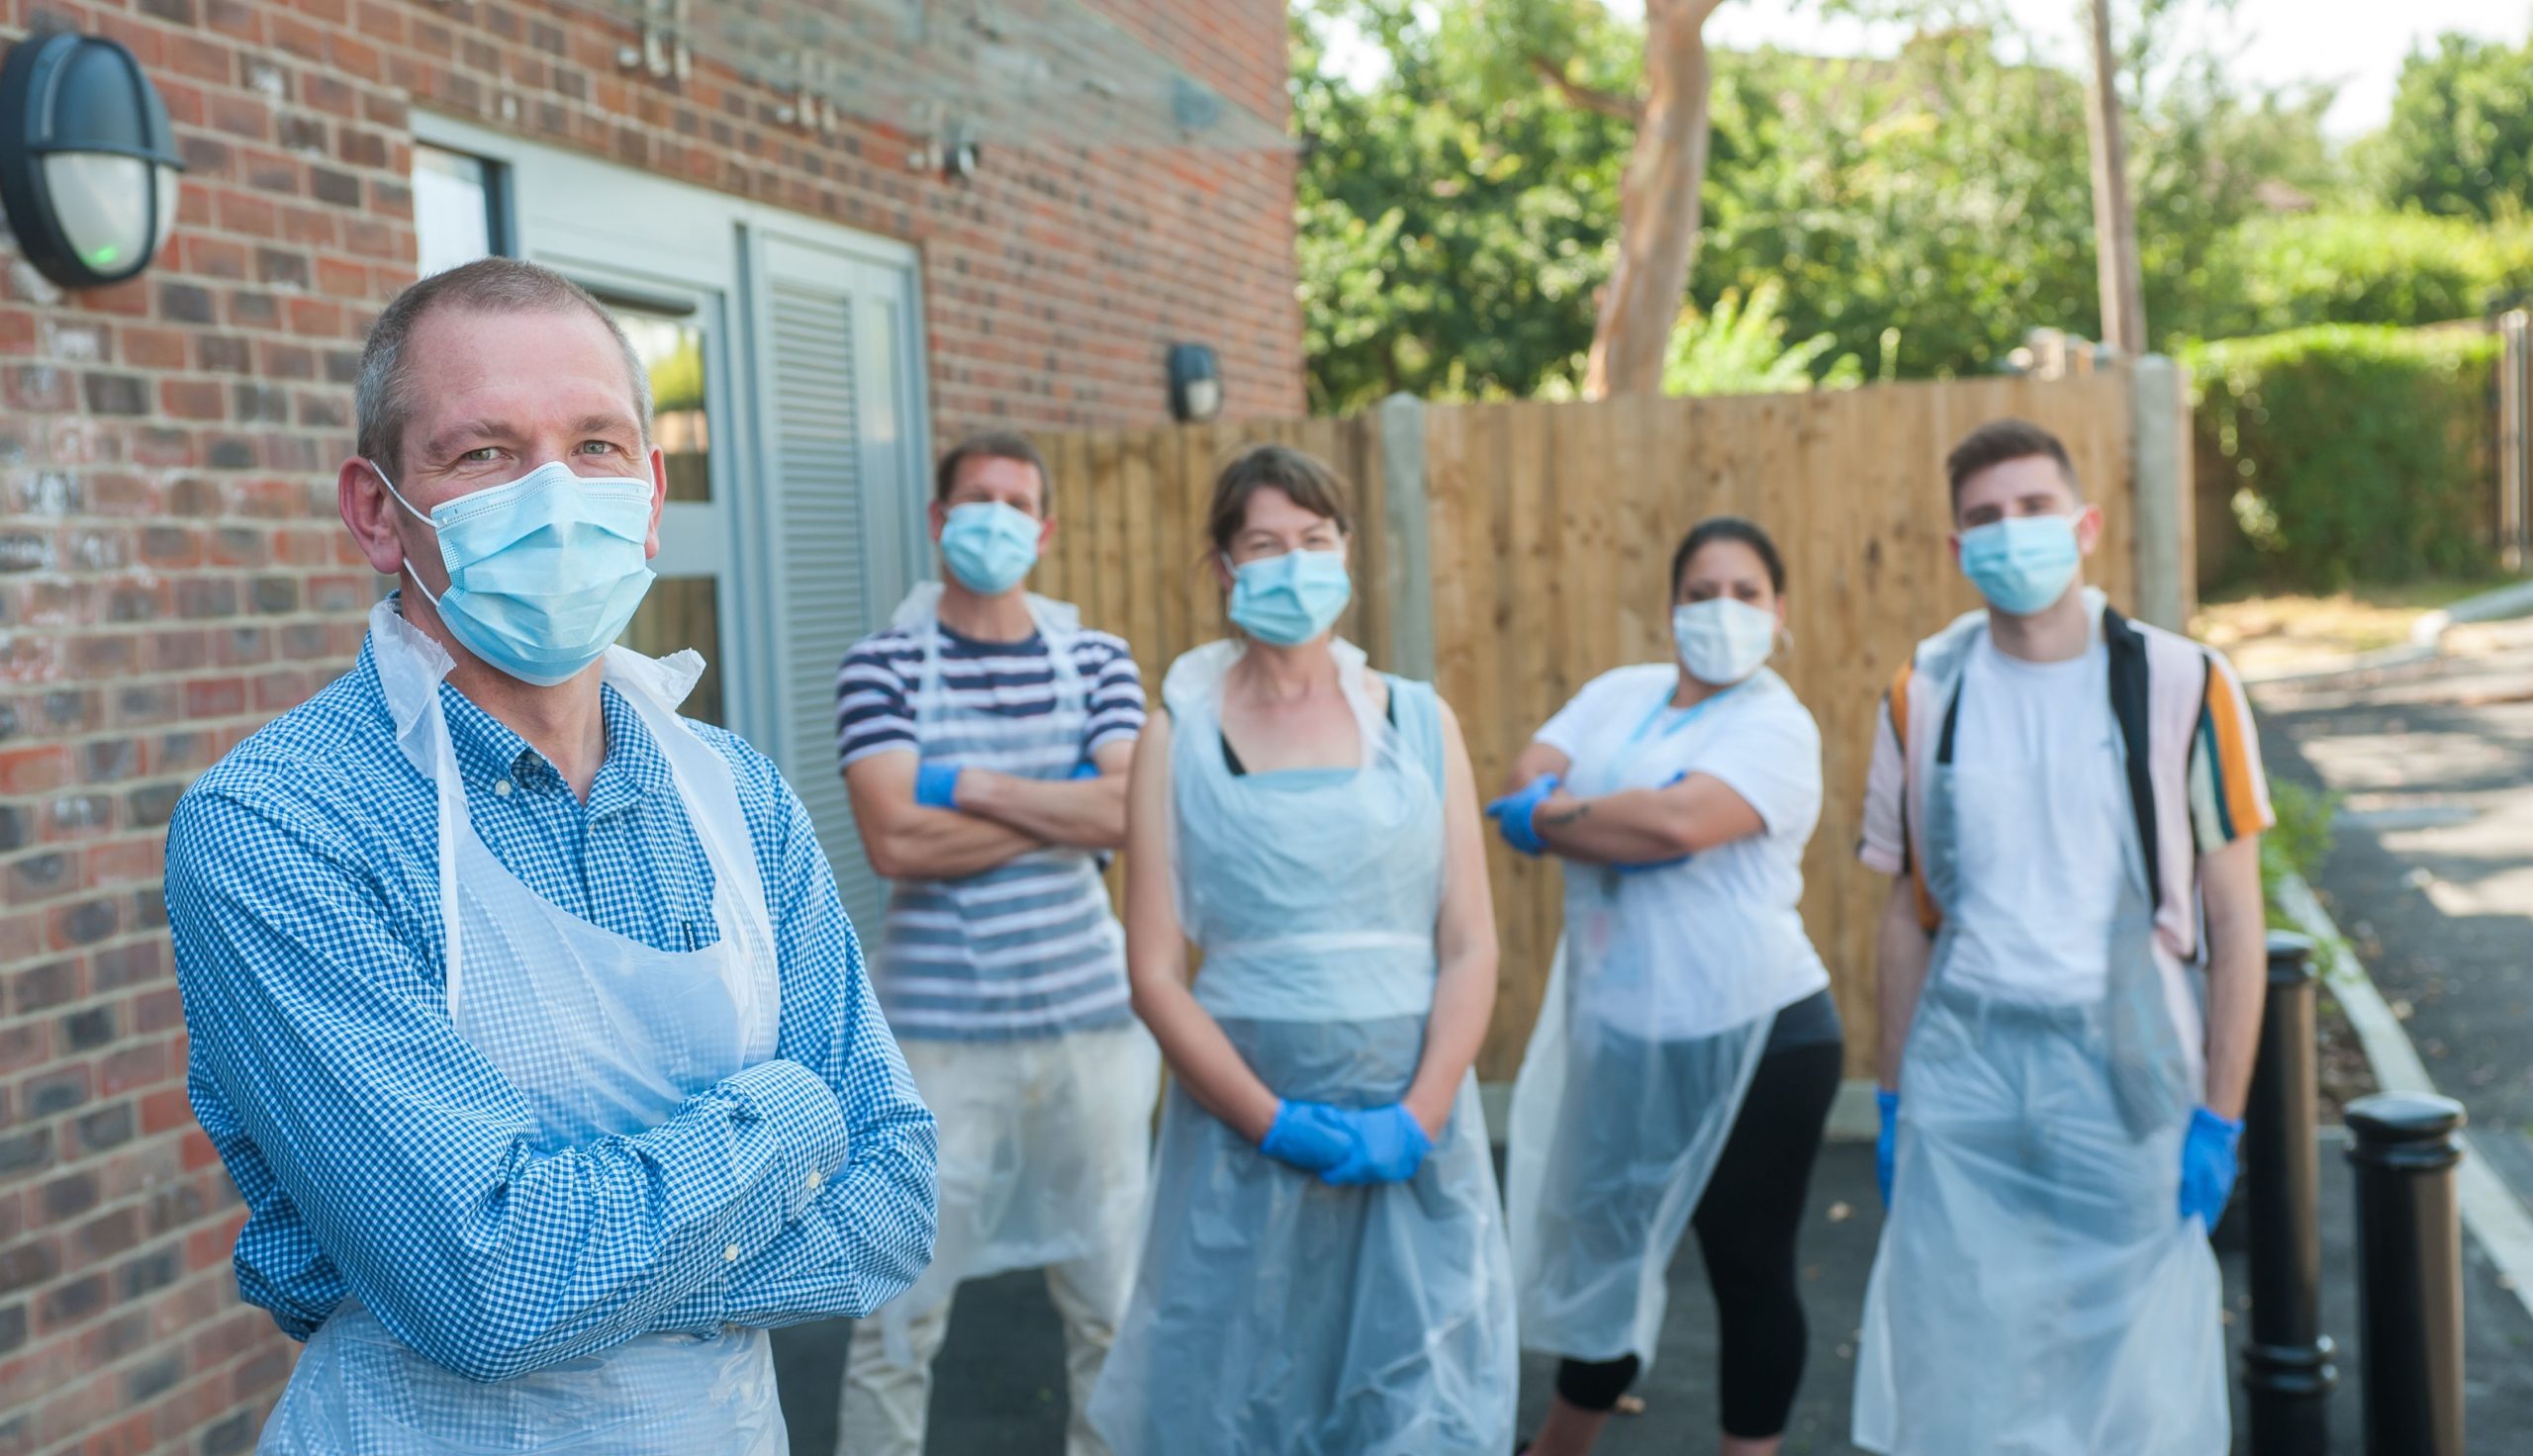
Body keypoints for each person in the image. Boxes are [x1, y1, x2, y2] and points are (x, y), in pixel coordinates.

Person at [163, 258, 938, 1455]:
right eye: (483, 454)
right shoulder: (282, 824)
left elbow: (894, 1194)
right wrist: (789, 1116)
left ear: (651, 492)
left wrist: (592, 1270)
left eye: (596, 446)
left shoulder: (736, 795)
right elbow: (490, 1281)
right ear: (377, 511)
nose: (555, 493)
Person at [1850, 418, 2272, 1454]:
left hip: (2125, 1064)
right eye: (1983, 519)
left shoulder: (2182, 681)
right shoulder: (1923, 691)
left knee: (2138, 1362)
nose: (2010, 534)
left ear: (2082, 525)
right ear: (1956, 550)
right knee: (1959, 1341)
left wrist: (2219, 1113)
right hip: (1967, 1069)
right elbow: (1907, 915)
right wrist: (1895, 1091)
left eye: (2032, 509)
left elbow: (2234, 920)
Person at [1084, 443, 1515, 1454]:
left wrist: (1418, 1113)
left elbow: (1469, 943)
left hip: (1414, 1122)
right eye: (1264, 544)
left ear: (1347, 550)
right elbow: (1153, 971)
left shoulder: (1418, 719)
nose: (1292, 564)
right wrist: (1271, 1120)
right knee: (1236, 1391)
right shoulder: (1174, 736)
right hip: (1241, 1131)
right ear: (1225, 565)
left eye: (1313, 540)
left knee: (1416, 1393)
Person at [835, 430, 1160, 1455]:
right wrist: (1064, 802)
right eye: (975, 497)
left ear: (1045, 529)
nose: (995, 517)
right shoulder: (880, 663)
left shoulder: (1098, 657)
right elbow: (892, 838)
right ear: (938, 521)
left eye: (1016, 502)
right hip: (935, 1040)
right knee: (897, 1313)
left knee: (1112, 1301)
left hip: (1093, 1030)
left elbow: (1132, 813)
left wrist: (962, 782)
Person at [1493, 517, 1843, 1456]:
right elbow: (1528, 769)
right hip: (1630, 1035)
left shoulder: (1776, 722)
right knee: (1607, 1255)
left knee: (1748, 1266)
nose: (1720, 611)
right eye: (1700, 593)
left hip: (1763, 1035)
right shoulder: (1620, 695)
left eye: (1745, 594)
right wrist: (1589, 813)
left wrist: (1555, 818)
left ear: (1781, 616)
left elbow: (1677, 825)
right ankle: (1559, 1446)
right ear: (1669, 610)